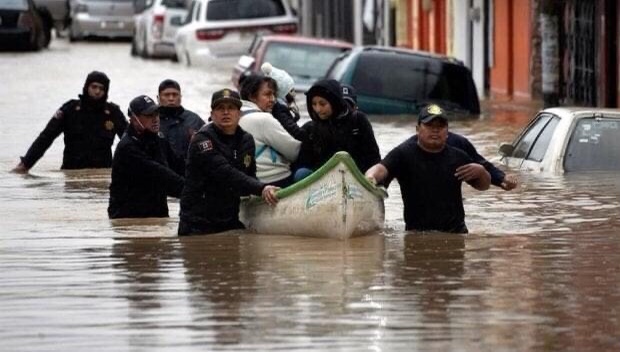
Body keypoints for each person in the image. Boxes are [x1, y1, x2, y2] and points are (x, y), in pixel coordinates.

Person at [365, 104, 491, 233]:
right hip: (417, 235)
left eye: (440, 126)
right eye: (429, 125)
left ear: (447, 132)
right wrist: (369, 178)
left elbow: (483, 186)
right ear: (418, 129)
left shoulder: (458, 157)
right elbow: (380, 169)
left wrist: (481, 172)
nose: (435, 130)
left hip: (455, 234)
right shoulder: (403, 154)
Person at [178, 88, 279, 236]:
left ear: (239, 113)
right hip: (198, 224)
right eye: (220, 108)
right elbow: (225, 172)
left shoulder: (246, 140)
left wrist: (268, 191)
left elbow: (249, 178)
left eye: (231, 108)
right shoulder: (202, 140)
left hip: (229, 221)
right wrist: (261, 188)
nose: (226, 112)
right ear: (212, 114)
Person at [12, 71, 128, 173]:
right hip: (71, 176)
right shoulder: (69, 110)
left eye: (101, 88)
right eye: (94, 87)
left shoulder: (113, 113)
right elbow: (46, 137)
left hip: (101, 177)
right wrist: (26, 164)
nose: (97, 91)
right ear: (87, 87)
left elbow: (130, 140)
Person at [108, 95, 185, 219]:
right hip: (129, 219)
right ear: (134, 119)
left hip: (157, 215)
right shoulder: (127, 148)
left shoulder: (159, 139)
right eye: (149, 115)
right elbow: (161, 176)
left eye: (156, 114)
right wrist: (195, 192)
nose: (155, 119)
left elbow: (179, 165)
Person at [295, 79, 381, 180]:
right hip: (320, 182)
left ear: (334, 102)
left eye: (322, 104)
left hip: (356, 178)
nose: (318, 109)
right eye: (314, 104)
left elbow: (373, 157)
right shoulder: (310, 128)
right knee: (301, 173)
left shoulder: (358, 121)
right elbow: (302, 161)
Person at [238, 73, 301, 187]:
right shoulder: (263, 119)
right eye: (267, 94)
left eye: (274, 95)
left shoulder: (234, 115)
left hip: (247, 182)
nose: (273, 99)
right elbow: (294, 152)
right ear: (252, 96)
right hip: (274, 180)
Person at [157, 79, 205, 160]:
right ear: (158, 98)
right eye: (166, 95)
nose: (171, 98)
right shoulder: (152, 120)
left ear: (180, 97)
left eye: (175, 95)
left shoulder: (194, 120)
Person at [260, 62, 306, 142]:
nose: (294, 94)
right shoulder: (279, 109)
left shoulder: (278, 107)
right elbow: (293, 131)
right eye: (291, 90)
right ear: (283, 92)